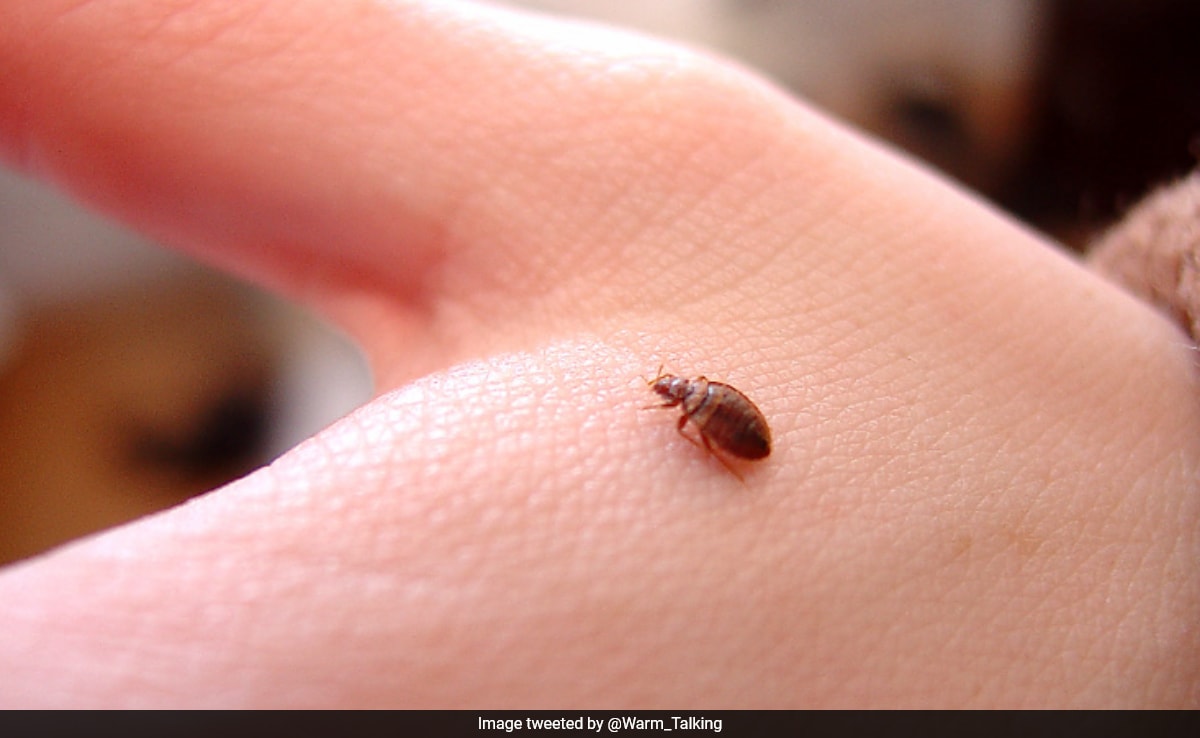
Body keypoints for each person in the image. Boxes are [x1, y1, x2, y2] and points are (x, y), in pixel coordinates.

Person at [0, 0, 1195, 707]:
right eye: (686, 399)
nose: (678, 402)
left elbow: (735, 436)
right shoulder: (700, 405)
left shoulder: (710, 413)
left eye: (682, 394)